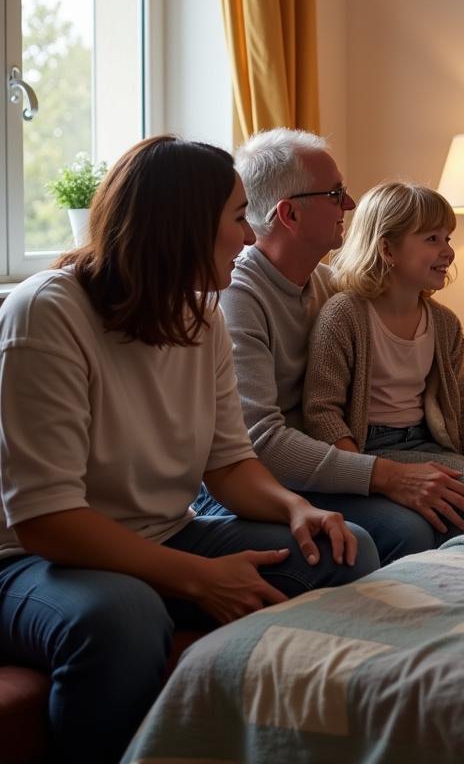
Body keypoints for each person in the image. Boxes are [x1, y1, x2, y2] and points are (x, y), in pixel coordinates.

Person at [0, 136, 378, 764]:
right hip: (29, 560)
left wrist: (293, 508)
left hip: (166, 533)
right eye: (236, 218)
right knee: (123, 617)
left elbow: (229, 465)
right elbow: (46, 520)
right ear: (180, 228)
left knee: (346, 548)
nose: (249, 238)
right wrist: (200, 578)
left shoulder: (203, 319)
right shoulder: (47, 311)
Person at [196, 129, 464, 560]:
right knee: (408, 529)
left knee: (461, 504)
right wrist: (388, 476)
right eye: (335, 194)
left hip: (323, 469)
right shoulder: (238, 298)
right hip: (255, 485)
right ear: (290, 214)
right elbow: (260, 442)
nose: (349, 206)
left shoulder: (328, 285)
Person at [303, 181, 464, 531]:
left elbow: (463, 403)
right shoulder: (344, 315)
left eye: (448, 238)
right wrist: (360, 473)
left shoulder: (444, 323)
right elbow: (322, 410)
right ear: (387, 249)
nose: (449, 252)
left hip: (426, 442)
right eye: (432, 239)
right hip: (368, 448)